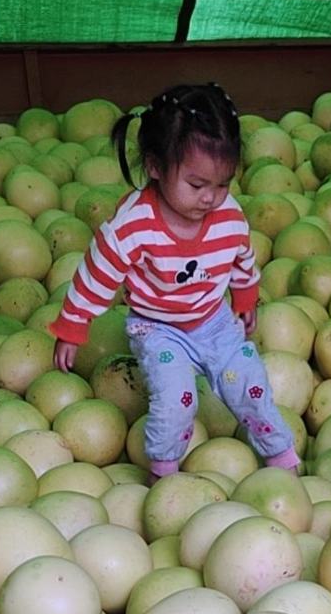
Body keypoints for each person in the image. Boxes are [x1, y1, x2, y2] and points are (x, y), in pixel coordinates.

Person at [50, 83, 300, 477]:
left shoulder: (228, 214)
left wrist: (246, 297)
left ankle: (281, 456)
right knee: (176, 399)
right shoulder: (135, 224)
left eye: (223, 184)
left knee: (250, 383)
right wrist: (73, 325)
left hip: (213, 320)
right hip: (158, 327)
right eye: (197, 185)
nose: (210, 198)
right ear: (155, 166)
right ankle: (163, 472)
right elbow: (98, 272)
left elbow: (240, 256)